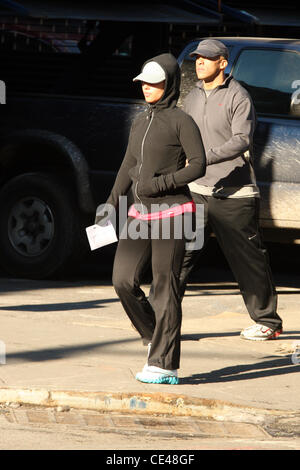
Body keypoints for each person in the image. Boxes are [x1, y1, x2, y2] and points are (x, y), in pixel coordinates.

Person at [95, 53, 206, 383]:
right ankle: (154, 336)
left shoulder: (181, 121)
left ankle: (165, 363)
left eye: (154, 82)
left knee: (164, 288)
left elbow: (198, 165)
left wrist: (160, 183)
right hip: (138, 214)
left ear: (169, 84)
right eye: (143, 81)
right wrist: (111, 202)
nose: (147, 87)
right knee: (122, 280)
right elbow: (128, 164)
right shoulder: (140, 121)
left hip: (173, 213)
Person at [179, 39, 283, 341]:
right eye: (197, 58)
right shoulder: (193, 96)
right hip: (196, 190)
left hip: (234, 195)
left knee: (248, 261)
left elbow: (241, 140)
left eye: (207, 59)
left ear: (223, 63)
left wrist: (204, 157)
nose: (199, 62)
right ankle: (161, 318)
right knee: (179, 256)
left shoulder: (239, 97)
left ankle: (267, 322)